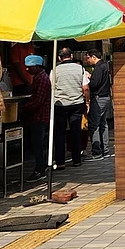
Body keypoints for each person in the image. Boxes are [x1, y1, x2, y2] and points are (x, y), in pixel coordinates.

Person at [53, 47, 88, 168]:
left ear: (59, 58)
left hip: (60, 104)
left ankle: (60, 162)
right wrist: (87, 101)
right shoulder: (80, 68)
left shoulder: (55, 70)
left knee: (60, 133)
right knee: (76, 131)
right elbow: (85, 88)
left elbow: (51, 87)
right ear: (71, 56)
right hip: (77, 103)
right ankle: (76, 160)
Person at [23, 54, 51, 182]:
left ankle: (40, 169)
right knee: (36, 144)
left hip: (40, 116)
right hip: (37, 116)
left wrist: (24, 107)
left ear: (38, 66)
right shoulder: (38, 78)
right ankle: (41, 167)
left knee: (37, 144)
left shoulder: (42, 79)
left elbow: (38, 100)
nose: (27, 70)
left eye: (30, 67)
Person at [85, 49, 113, 160]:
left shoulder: (98, 67)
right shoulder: (105, 65)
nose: (87, 61)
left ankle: (97, 152)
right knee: (103, 124)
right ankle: (105, 150)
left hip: (98, 98)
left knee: (94, 125)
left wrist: (89, 78)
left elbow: (94, 84)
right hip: (106, 97)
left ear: (94, 57)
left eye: (88, 58)